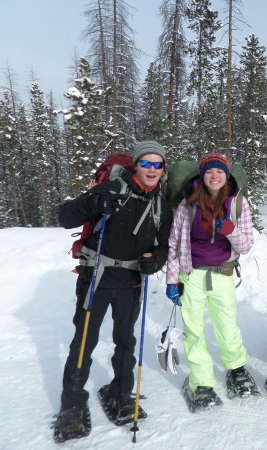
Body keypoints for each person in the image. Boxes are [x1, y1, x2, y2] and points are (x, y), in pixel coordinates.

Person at [54, 141, 173, 442]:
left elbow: (164, 244)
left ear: (163, 170)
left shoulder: (161, 205)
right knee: (84, 341)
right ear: (136, 165)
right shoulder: (111, 189)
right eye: (146, 163)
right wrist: (93, 204)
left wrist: (156, 261)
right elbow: (65, 216)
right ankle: (72, 406)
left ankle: (121, 392)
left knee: (126, 341)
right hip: (97, 276)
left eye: (157, 165)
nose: (151, 169)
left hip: (131, 281)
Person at [165, 151, 257, 410]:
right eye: (209, 171)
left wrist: (230, 230)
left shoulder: (238, 203)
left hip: (222, 273)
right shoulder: (187, 204)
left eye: (219, 171)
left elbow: (247, 244)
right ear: (202, 175)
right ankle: (202, 382)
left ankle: (236, 369)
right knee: (193, 328)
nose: (214, 176)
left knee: (226, 325)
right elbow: (174, 244)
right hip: (192, 273)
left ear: (226, 175)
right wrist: (172, 280)